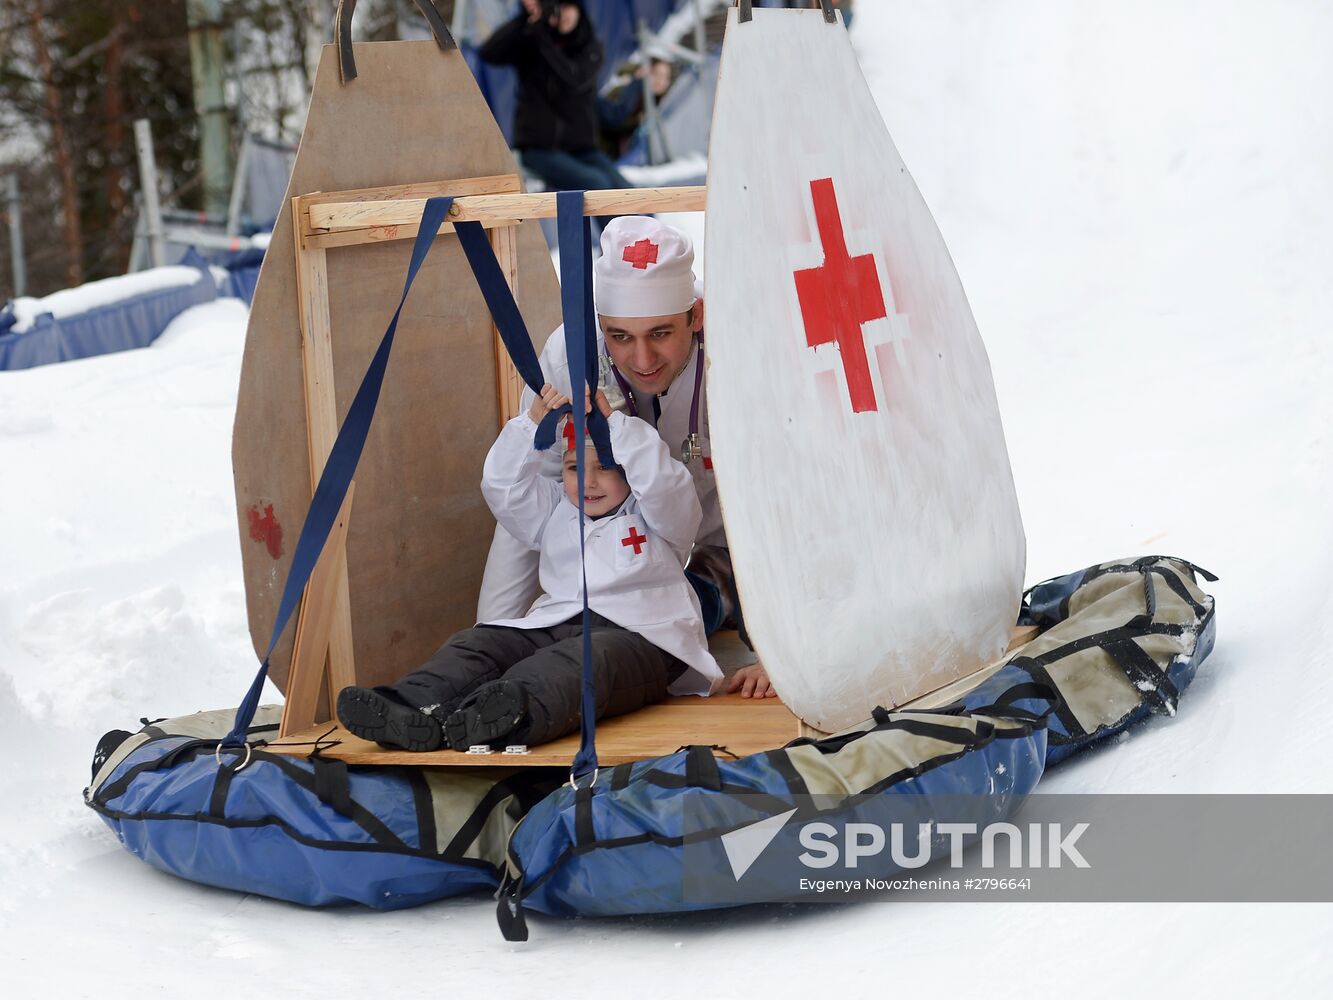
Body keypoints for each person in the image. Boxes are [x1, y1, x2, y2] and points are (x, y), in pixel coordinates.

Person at [477, 215, 776, 698]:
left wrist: (779, 656)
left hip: (736, 538)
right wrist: (493, 635)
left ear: (696, 316)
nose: (641, 360)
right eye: (620, 337)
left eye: (660, 334)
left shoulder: (745, 354)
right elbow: (532, 500)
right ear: (600, 326)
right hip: (626, 550)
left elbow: (781, 504)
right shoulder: (571, 354)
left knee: (702, 596)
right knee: (623, 614)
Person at [335, 386, 723, 752]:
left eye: (604, 466)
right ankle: (410, 708)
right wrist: (530, 425)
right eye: (574, 468)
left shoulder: (657, 518)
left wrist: (616, 426)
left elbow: (665, 486)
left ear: (628, 470)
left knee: (582, 662)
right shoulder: (555, 510)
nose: (588, 482)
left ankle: (501, 717)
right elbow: (503, 488)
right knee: (481, 643)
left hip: (642, 639)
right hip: (555, 624)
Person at [480, 0, 633, 229]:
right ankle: (615, 253)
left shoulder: (590, 48)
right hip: (540, 150)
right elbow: (488, 52)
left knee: (629, 192)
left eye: (569, 5)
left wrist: (541, 38)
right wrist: (528, 17)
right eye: (557, 6)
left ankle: (643, 250)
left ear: (580, 9)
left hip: (582, 150)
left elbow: (573, 79)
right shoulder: (533, 42)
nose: (564, 13)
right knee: (598, 184)